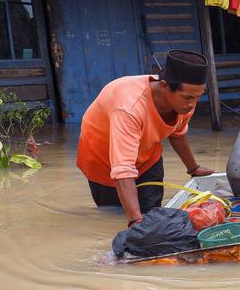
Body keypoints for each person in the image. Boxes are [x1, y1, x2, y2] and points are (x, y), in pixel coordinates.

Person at [76, 50, 214, 227]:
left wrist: (193, 168)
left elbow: (177, 133)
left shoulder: (184, 103)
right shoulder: (130, 108)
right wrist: (134, 220)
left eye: (198, 97)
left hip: (147, 154)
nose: (193, 104)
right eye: (188, 97)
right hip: (103, 159)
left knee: (152, 213)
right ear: (164, 86)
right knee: (115, 217)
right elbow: (123, 170)